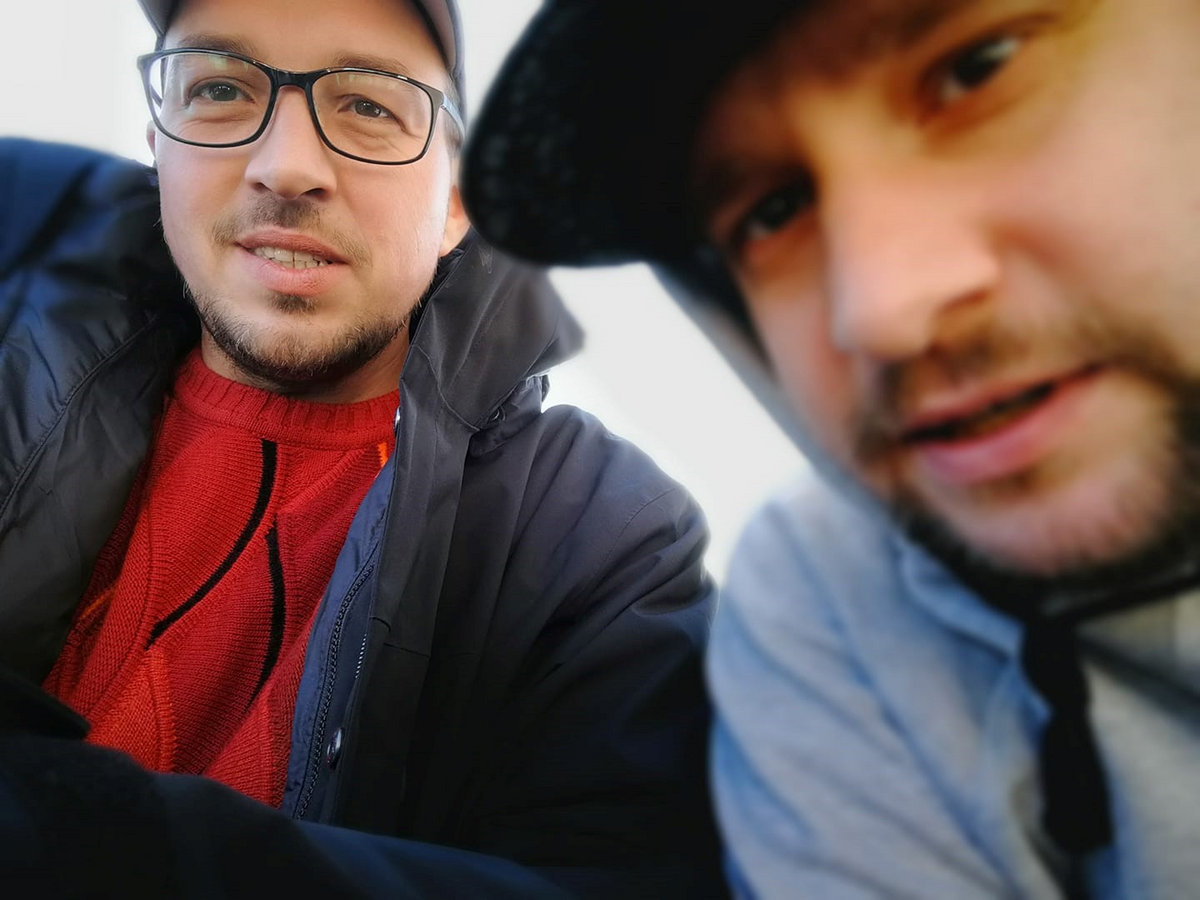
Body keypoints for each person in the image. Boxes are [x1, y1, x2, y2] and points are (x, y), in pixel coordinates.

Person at [461, 0, 1200, 896]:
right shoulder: (829, 593)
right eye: (773, 211)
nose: (879, 310)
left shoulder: (606, 521)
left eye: (978, 70)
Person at [0, 0, 726, 895]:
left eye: (370, 105)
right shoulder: (13, 346)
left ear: (457, 200)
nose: (285, 166)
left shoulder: (602, 543)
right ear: (160, 146)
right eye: (220, 90)